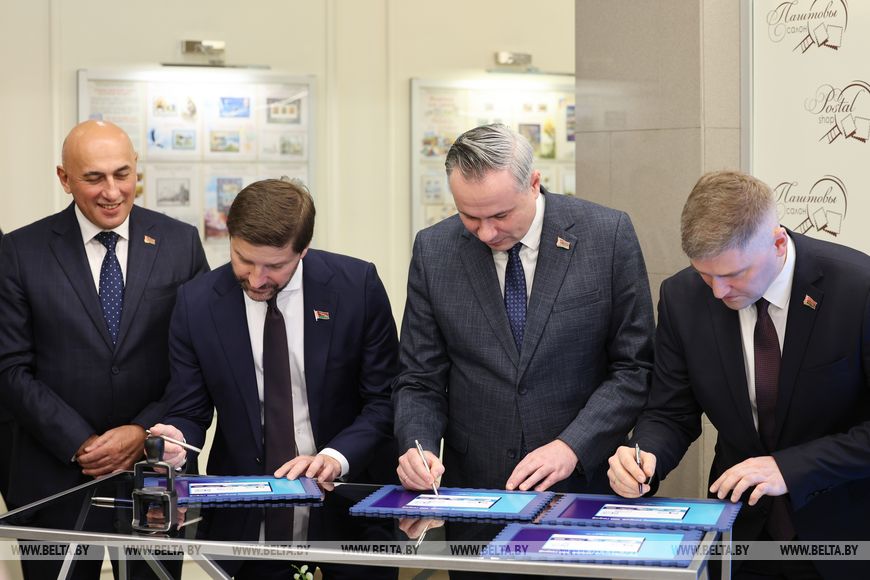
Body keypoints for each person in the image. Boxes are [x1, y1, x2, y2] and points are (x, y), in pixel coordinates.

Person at [607, 170, 870, 579]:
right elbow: (670, 412)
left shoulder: (858, 288)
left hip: (843, 534)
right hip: (740, 535)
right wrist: (644, 457)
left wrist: (790, 468)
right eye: (705, 274)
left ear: (777, 243)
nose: (718, 292)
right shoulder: (682, 297)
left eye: (733, 275)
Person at [150, 177, 399, 579]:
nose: (256, 279)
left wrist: (335, 458)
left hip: (349, 511)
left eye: (275, 266)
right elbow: (189, 410)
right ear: (230, 238)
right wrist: (177, 440)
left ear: (303, 249)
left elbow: (384, 399)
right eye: (244, 260)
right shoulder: (197, 303)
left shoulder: (356, 287)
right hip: (245, 516)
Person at [393, 123, 655, 495]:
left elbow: (634, 367)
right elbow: (420, 377)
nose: (486, 232)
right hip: (477, 486)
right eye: (470, 216)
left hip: (583, 481)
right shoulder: (434, 250)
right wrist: (417, 446)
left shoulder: (606, 236)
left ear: (533, 184)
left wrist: (571, 446)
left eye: (500, 216)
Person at [0, 120, 208, 579]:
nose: (112, 192)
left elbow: (199, 361)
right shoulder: (19, 250)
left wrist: (142, 431)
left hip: (154, 473)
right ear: (64, 178)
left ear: (137, 169)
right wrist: (79, 442)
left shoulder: (181, 243)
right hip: (54, 476)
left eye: (122, 174)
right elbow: (9, 367)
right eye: (94, 178)